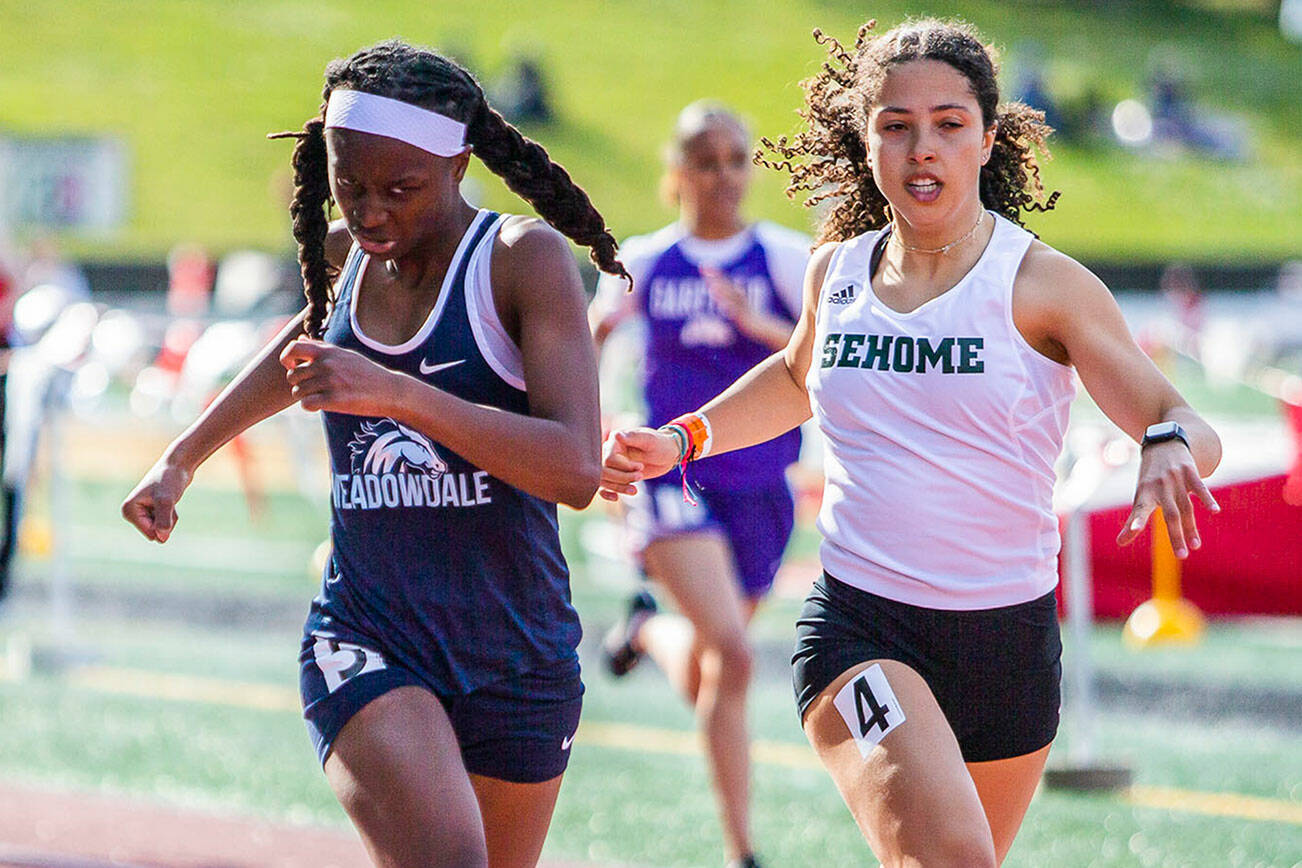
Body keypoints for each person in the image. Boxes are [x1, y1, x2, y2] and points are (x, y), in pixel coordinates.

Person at [599, 19, 1221, 867]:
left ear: (987, 139)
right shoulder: (837, 270)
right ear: (868, 140)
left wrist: (1170, 447)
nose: (921, 148)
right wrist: (684, 438)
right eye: (896, 126)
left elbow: (1177, 416)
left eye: (947, 124)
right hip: (862, 630)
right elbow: (794, 375)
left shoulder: (1043, 285)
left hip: (1009, 643)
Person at [121, 39, 628, 868]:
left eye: (401, 190)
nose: (372, 213)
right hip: (369, 634)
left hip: (519, 649)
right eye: (350, 187)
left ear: (459, 163)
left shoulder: (520, 262)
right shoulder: (343, 262)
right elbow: (301, 350)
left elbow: (573, 469)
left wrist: (397, 395)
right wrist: (181, 457)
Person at [588, 100, 809, 868]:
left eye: (737, 160)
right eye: (707, 161)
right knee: (737, 658)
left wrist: (760, 326)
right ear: (676, 173)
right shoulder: (647, 262)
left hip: (763, 485)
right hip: (670, 477)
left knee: (723, 662)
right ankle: (742, 852)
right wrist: (585, 431)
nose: (724, 176)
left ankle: (646, 631)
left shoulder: (783, 258)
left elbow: (830, 359)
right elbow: (578, 345)